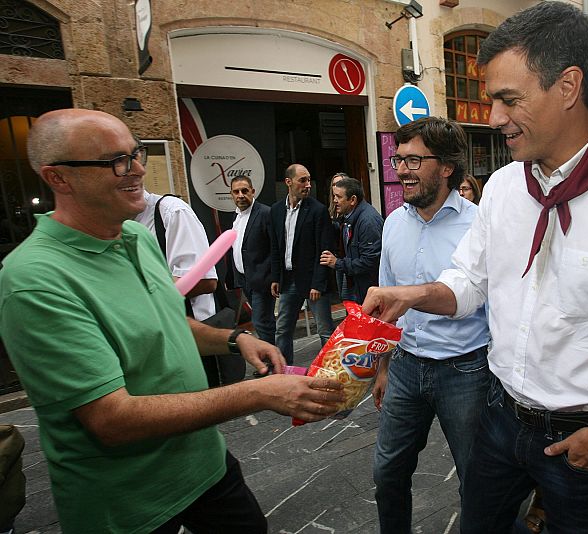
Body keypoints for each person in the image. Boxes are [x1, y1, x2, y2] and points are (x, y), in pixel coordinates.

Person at [361, 3, 588, 532]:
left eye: (508, 99)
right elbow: (470, 282)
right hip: (497, 414)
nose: (493, 118)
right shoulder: (504, 187)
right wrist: (412, 295)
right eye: (492, 99)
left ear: (568, 86)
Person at [0, 109, 344, 534]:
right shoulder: (34, 281)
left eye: (136, 154)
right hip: (128, 502)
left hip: (204, 465)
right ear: (58, 178)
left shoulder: (137, 237)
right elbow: (111, 419)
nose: (138, 169)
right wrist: (258, 394)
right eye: (117, 161)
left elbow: (166, 321)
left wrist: (235, 340)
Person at [369, 117, 491, 533]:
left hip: (466, 372)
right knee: (387, 472)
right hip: (405, 366)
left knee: (476, 479)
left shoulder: (479, 225)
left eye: (413, 160)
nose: (401, 169)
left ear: (446, 168)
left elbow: (494, 306)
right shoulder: (393, 224)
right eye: (398, 159)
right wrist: (383, 367)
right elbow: (388, 301)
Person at [270, 163, 335, 364]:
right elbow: (275, 247)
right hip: (288, 280)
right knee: (282, 329)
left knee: (325, 331)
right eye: (302, 180)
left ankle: (331, 372)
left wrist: (317, 283)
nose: (307, 185)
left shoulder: (318, 210)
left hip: (312, 281)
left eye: (308, 180)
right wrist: (275, 277)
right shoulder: (276, 211)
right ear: (288, 183)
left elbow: (323, 250)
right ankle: (284, 372)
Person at [134, 188, 218, 321]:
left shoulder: (172, 211)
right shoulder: (111, 226)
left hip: (189, 329)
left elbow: (204, 281)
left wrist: (133, 298)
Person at [320, 177, 383, 304]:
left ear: (353, 200)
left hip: (367, 291)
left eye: (338, 197)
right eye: (334, 196)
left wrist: (337, 263)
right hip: (356, 287)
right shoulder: (347, 218)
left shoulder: (368, 221)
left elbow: (370, 262)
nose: (334, 201)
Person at [231, 176, 276, 344]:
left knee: (261, 322)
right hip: (245, 280)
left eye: (245, 191)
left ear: (253, 192)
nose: (240, 195)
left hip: (263, 279)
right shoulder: (237, 217)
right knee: (262, 322)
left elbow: (276, 247)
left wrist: (274, 277)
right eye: (236, 192)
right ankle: (271, 360)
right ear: (231, 195)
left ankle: (272, 362)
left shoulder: (265, 213)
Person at [328, 172, 353, 300]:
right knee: (343, 296)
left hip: (348, 261)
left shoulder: (350, 213)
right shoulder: (331, 212)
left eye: (339, 184)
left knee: (347, 295)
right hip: (338, 260)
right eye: (334, 184)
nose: (336, 187)